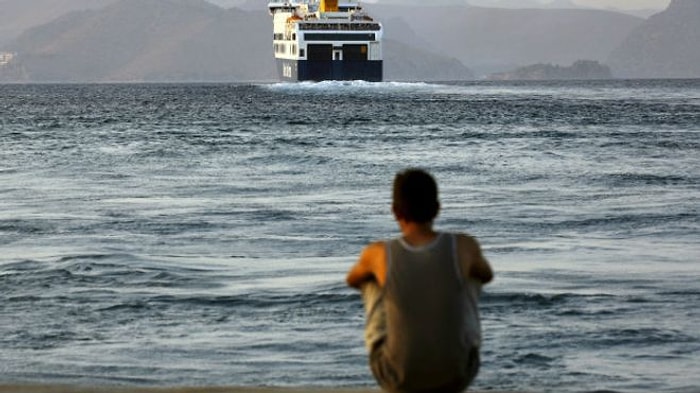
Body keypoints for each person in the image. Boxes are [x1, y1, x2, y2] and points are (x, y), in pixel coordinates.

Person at [346, 168, 494, 393]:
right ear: (437, 209)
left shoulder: (378, 253)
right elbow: (486, 275)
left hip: (396, 377)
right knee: (469, 275)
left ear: (395, 211)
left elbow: (352, 280)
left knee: (372, 281)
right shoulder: (464, 246)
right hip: (457, 375)